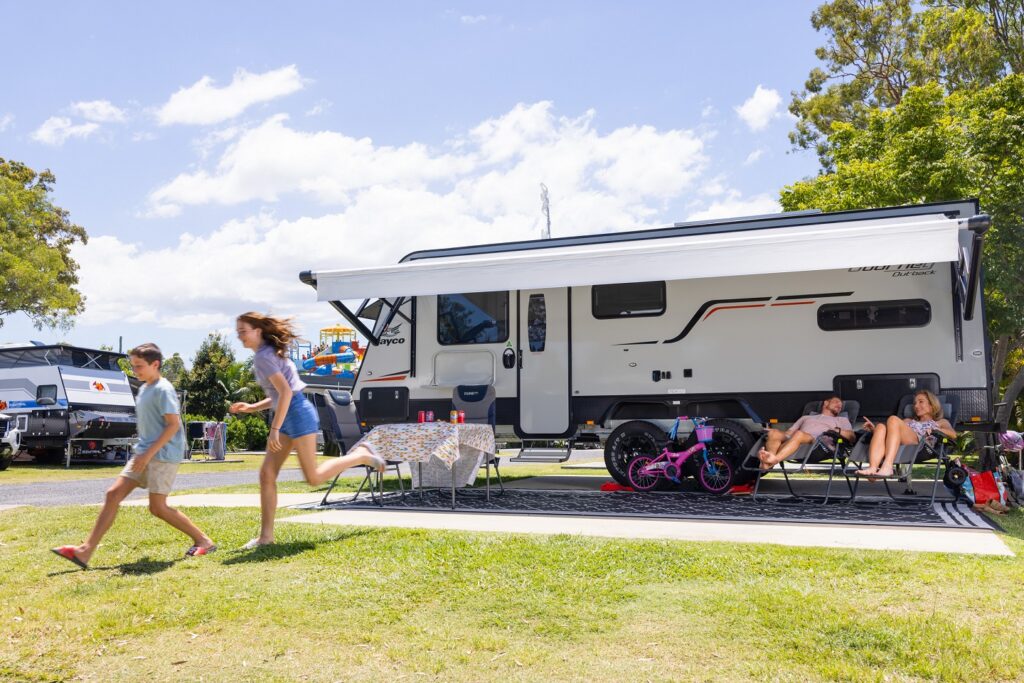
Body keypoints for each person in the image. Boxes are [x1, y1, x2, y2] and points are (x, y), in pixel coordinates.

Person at [51, 343, 216, 569]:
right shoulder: (146, 388)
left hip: (163, 454)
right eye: (133, 366)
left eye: (139, 366)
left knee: (157, 508)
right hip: (143, 453)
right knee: (112, 495)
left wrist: (148, 454)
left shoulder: (163, 389)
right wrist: (143, 452)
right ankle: (84, 552)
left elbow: (172, 425)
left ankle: (204, 540)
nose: (135, 370)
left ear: (155, 364)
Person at [231, 312, 386, 549]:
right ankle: (266, 537)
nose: (240, 336)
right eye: (238, 331)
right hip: (292, 412)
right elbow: (279, 394)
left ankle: (361, 455)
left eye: (243, 330)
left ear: (258, 331)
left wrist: (274, 429)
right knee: (267, 475)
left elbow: (284, 394)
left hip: (298, 415)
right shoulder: (268, 354)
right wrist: (253, 407)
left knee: (313, 477)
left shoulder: (265, 357)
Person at [854, 389, 957, 478]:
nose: (916, 406)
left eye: (921, 402)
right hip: (898, 446)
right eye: (915, 403)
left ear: (931, 405)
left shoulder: (940, 422)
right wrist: (874, 430)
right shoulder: (908, 421)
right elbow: (891, 432)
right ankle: (873, 468)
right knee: (880, 427)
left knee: (893, 419)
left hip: (920, 446)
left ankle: (888, 467)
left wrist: (936, 430)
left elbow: (953, 434)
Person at [758, 395, 856, 469]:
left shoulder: (841, 420)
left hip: (818, 444)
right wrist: (775, 432)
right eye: (836, 402)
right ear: (826, 403)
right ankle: (768, 461)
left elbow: (852, 437)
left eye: (841, 405)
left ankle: (774, 460)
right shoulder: (806, 417)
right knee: (773, 433)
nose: (839, 405)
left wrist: (837, 430)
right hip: (797, 440)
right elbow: (789, 433)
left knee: (799, 434)